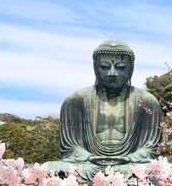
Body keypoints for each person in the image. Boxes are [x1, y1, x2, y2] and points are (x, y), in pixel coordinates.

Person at [45, 39, 163, 181]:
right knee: (51, 168)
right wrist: (90, 158)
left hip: (129, 165)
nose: (112, 73)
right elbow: (70, 148)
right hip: (89, 165)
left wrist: (128, 159)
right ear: (95, 67)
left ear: (131, 68)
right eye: (104, 67)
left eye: (120, 67)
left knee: (158, 171)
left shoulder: (147, 101)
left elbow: (151, 149)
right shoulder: (76, 100)